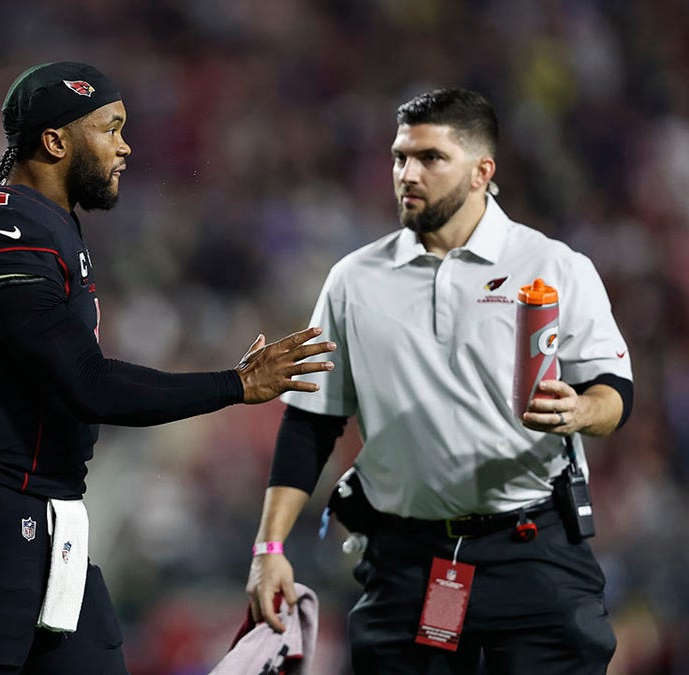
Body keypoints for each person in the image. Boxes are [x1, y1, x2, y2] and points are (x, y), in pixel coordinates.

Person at [0, 61, 336, 674]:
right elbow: (88, 384)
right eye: (110, 128)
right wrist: (236, 385)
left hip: (53, 516)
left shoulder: (53, 227)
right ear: (55, 142)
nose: (126, 145)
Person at [244, 88, 633, 674]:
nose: (408, 174)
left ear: (483, 172)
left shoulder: (552, 265)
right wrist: (268, 549)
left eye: (430, 158)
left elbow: (614, 390)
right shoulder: (354, 280)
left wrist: (582, 411)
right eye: (400, 157)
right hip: (406, 558)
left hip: (531, 548)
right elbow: (312, 422)